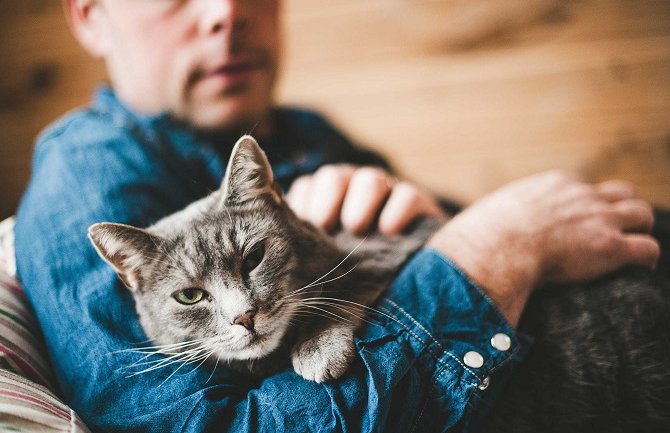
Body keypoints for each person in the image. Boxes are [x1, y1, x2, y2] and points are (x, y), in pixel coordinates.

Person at [14, 1, 659, 432]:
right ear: (91, 15)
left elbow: (435, 227)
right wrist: (493, 253)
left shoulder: (299, 130)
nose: (227, 14)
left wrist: (426, 219)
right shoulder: (89, 183)